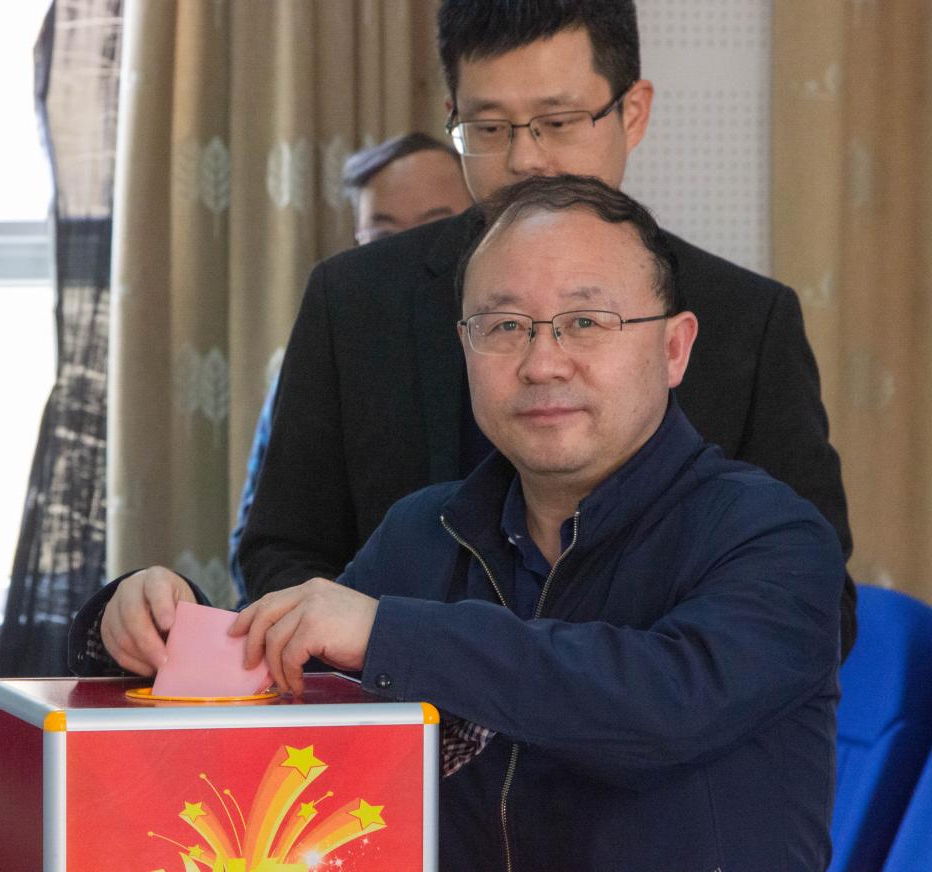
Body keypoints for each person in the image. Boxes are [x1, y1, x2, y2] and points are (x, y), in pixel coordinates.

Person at [71, 176, 844, 870]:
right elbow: (278, 695)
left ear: (674, 348)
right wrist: (140, 627)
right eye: (504, 327)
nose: (542, 362)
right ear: (465, 350)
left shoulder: (772, 537)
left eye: (585, 321)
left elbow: (663, 702)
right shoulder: (426, 531)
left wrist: (389, 636)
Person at [237, 0, 857, 656]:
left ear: (633, 112)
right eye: (489, 127)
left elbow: (815, 604)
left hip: (643, 709)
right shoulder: (354, 298)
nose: (526, 159)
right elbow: (284, 550)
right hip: (391, 706)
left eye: (558, 122)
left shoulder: (746, 318)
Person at [227, 132, 472, 602]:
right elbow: (266, 540)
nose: (409, 256)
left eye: (436, 229)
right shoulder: (334, 345)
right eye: (382, 238)